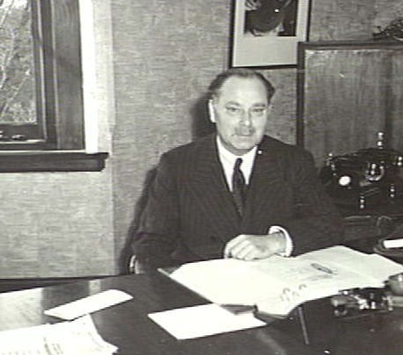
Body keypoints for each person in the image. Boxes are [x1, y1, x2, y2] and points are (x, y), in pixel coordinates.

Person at [131, 68, 343, 271]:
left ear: (268, 112)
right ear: (213, 111)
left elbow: (330, 225)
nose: (246, 124)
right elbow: (151, 244)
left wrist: (275, 241)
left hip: (276, 286)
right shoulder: (178, 165)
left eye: (257, 111)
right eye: (234, 110)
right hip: (204, 290)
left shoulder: (293, 160)